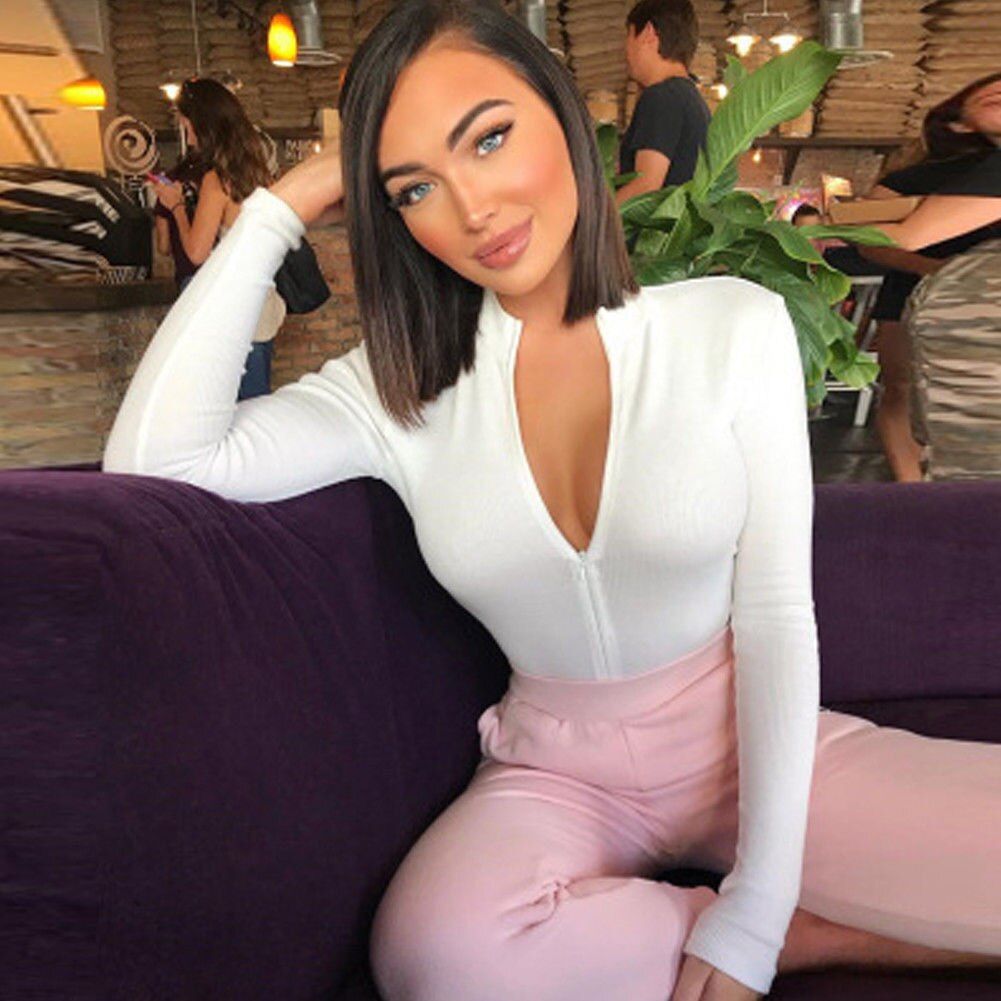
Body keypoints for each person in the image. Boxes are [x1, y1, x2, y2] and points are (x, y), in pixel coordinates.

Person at [103, 2, 1001, 1000]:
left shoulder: (728, 327)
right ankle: (812, 938)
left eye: (489, 138)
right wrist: (287, 198)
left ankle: (769, 919)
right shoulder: (394, 388)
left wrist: (757, 894)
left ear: (562, 114)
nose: (473, 208)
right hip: (554, 772)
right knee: (438, 958)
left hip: (739, 740)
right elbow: (155, 462)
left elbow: (777, 615)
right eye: (413, 186)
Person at [843, 72, 1001, 481]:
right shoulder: (916, 177)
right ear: (958, 123)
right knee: (903, 388)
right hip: (918, 291)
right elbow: (874, 238)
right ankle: (913, 489)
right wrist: (933, 270)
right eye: (985, 94)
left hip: (976, 313)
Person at [151, 77, 286, 401]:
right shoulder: (260, 176)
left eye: (188, 126)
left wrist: (176, 206)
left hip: (229, 313)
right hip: (261, 305)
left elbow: (196, 253)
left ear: (203, 125)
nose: (188, 136)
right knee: (255, 406)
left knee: (224, 409)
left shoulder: (217, 181)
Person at [616, 0, 710, 208]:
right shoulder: (691, 98)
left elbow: (645, 186)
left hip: (659, 230)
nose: (626, 51)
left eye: (629, 36)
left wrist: (593, 220)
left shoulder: (661, 97)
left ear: (648, 33)